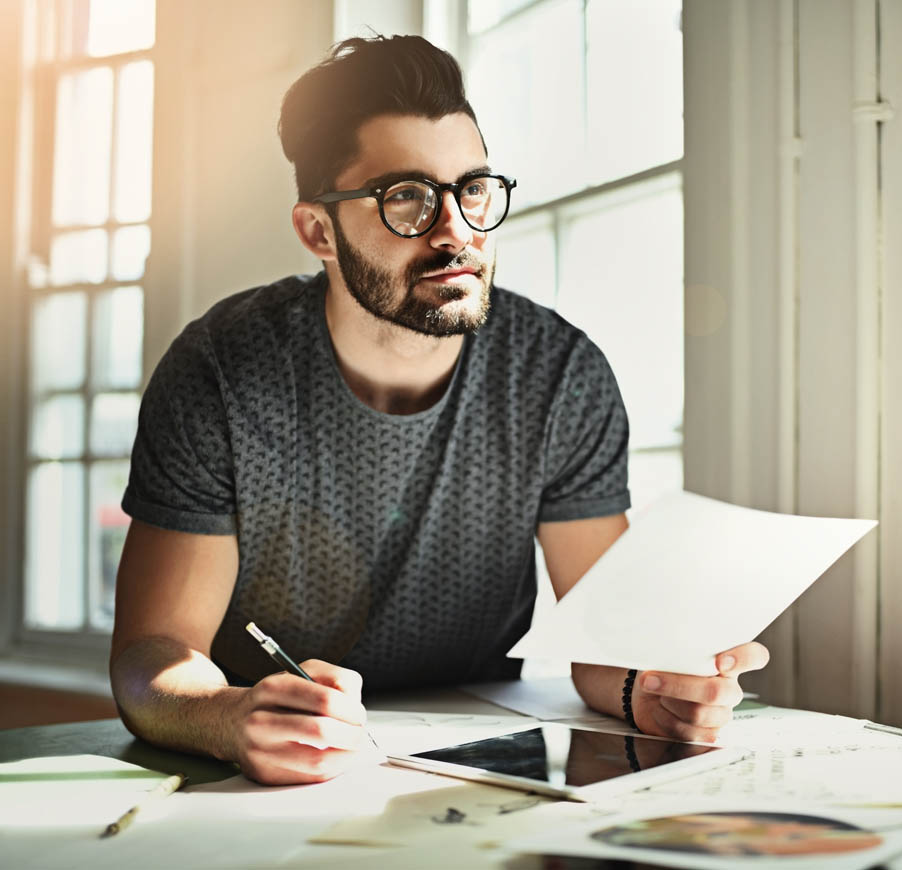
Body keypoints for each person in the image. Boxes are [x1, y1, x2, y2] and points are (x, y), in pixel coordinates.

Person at [109, 34, 769, 786]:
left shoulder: (558, 374)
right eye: (408, 199)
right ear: (318, 232)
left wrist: (653, 693)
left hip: (481, 758)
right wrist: (231, 718)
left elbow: (605, 643)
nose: (455, 229)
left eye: (474, 188)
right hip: (262, 777)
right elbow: (148, 658)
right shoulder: (220, 373)